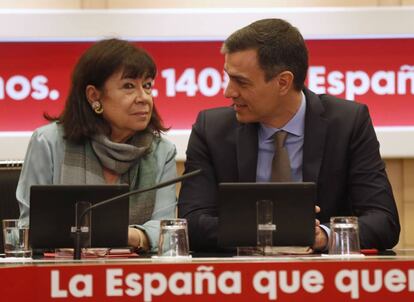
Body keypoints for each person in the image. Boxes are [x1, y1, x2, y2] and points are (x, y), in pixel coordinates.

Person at [178, 18, 400, 252]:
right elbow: (190, 224)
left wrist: (322, 236)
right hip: (237, 278)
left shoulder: (348, 123)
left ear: (283, 82)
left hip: (324, 279)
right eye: (228, 78)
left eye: (241, 82)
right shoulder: (211, 129)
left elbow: (384, 222)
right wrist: (267, 230)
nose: (228, 92)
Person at [16, 38, 177, 252]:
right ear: (94, 96)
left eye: (147, 86)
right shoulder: (48, 142)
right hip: (61, 276)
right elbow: (29, 229)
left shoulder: (161, 151)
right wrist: (130, 235)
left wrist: (113, 233)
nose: (144, 98)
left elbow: (166, 233)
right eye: (129, 86)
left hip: (134, 278)